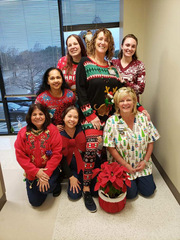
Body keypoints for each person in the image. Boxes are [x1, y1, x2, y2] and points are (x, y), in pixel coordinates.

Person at [76, 28, 124, 212]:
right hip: (91, 115)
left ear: (110, 45)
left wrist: (140, 108)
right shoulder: (84, 63)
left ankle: (106, 180)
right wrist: (91, 115)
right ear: (94, 42)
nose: (102, 42)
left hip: (110, 116)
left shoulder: (113, 68)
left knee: (112, 146)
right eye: (100, 39)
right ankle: (87, 188)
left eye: (106, 40)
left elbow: (122, 91)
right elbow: (80, 91)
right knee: (92, 144)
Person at [103, 87, 160, 199]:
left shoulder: (143, 119)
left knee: (148, 192)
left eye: (128, 100)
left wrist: (145, 161)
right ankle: (132, 181)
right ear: (117, 104)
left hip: (142, 165)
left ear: (134, 102)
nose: (125, 103)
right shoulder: (111, 122)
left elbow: (150, 141)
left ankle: (140, 178)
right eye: (121, 101)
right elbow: (111, 148)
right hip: (122, 166)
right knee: (130, 195)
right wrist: (125, 165)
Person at [14, 103, 62, 207]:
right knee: (35, 203)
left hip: (49, 169)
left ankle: (55, 183)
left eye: (41, 114)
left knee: (47, 189)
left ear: (45, 115)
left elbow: (56, 154)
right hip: (32, 171)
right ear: (30, 117)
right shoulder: (22, 133)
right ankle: (41, 184)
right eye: (34, 114)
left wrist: (45, 174)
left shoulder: (53, 130)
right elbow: (20, 156)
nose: (38, 117)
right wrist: (36, 172)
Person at [60, 106, 99, 209]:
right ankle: (80, 181)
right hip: (72, 167)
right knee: (74, 195)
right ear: (63, 118)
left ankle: (87, 186)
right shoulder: (59, 135)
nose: (72, 120)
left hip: (88, 164)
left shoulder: (83, 129)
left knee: (96, 192)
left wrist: (97, 139)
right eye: (69, 116)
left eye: (75, 117)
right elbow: (61, 159)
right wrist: (70, 177)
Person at [35, 67, 76, 132]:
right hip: (48, 131)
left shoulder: (70, 95)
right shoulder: (41, 99)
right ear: (47, 81)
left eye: (58, 77)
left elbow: (77, 113)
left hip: (70, 129)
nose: (56, 81)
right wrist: (52, 127)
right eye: (52, 78)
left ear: (62, 80)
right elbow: (37, 119)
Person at [112, 34, 146, 101]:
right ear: (122, 46)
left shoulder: (139, 65)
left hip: (132, 105)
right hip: (115, 103)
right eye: (127, 45)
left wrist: (124, 82)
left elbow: (140, 89)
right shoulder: (113, 64)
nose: (130, 48)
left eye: (133, 46)